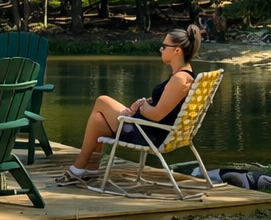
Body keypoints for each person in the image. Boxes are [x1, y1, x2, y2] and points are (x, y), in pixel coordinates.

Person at [59, 24, 204, 184]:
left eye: (164, 46)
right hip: (153, 130)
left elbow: (157, 115)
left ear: (177, 50)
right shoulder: (185, 74)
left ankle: (78, 169)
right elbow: (166, 105)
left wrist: (140, 107)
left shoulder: (179, 79)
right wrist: (145, 102)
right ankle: (89, 170)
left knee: (102, 101)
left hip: (149, 136)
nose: (161, 49)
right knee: (98, 120)